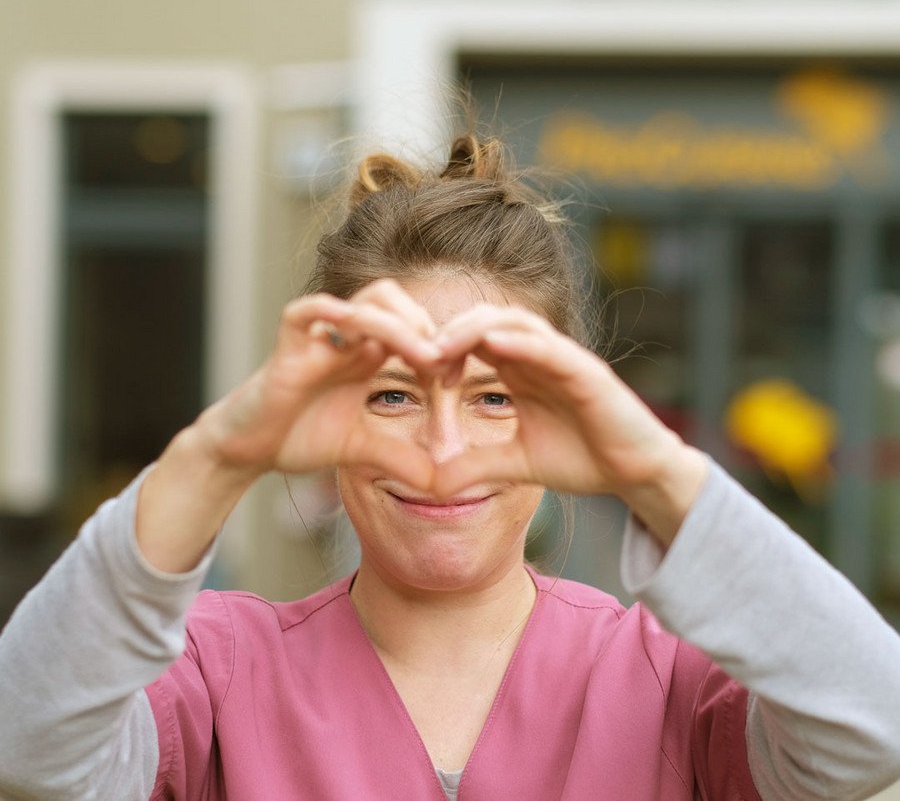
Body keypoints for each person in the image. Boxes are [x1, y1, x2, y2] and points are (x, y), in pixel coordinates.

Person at [1, 134, 899, 801]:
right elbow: (27, 751)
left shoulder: (674, 681)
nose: (444, 453)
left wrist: (652, 468)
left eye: (496, 398)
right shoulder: (214, 669)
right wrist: (219, 452)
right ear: (326, 415)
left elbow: (876, 730)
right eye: (392, 396)